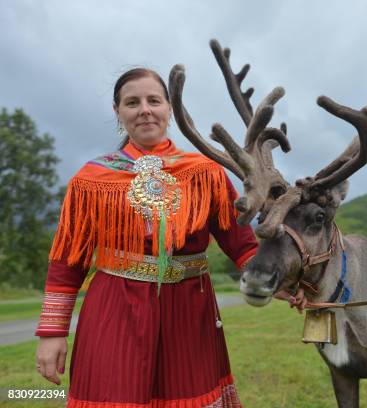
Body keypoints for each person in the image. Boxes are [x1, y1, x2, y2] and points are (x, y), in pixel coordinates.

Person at [35, 68, 258, 407]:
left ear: (169, 108)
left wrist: (284, 280)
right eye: (132, 102)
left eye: (154, 100)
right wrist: (52, 332)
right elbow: (68, 260)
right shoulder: (92, 179)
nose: (144, 109)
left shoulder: (205, 172)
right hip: (114, 309)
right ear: (118, 112)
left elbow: (240, 242)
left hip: (188, 310)